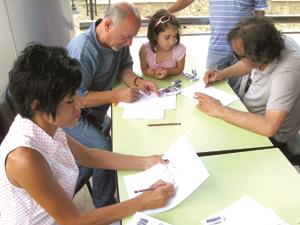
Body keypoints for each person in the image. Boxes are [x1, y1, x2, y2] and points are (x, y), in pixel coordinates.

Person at [0, 43, 174, 225]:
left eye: (76, 94)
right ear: (37, 105)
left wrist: (145, 161)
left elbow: (89, 156)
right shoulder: (24, 157)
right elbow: (74, 221)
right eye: (69, 101)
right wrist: (142, 202)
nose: (80, 104)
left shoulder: (43, 125)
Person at [65, 2, 160, 208]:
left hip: (94, 114)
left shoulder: (117, 42)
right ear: (107, 25)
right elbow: (77, 98)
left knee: (117, 136)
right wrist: (117, 95)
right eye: (126, 37)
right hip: (71, 115)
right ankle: (105, 204)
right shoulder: (83, 50)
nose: (130, 42)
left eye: (133, 36)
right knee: (104, 148)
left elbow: (124, 68)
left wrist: (139, 82)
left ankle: (81, 174)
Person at [195, 17, 300, 163]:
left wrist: (219, 110)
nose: (237, 58)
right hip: (248, 112)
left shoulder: (288, 73)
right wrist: (222, 73)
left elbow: (269, 127)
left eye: (239, 55)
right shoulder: (271, 44)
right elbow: (249, 63)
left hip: (273, 138)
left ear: (258, 56)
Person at [167, 0, 267, 94]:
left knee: (237, 92)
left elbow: (260, 15)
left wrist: (256, 43)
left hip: (244, 50)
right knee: (211, 86)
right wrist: (167, 12)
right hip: (217, 47)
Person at [139, 9, 186, 79]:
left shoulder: (180, 49)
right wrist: (151, 73)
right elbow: (144, 69)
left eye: (175, 36)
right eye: (167, 37)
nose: (172, 42)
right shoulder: (145, 50)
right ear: (155, 35)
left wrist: (167, 71)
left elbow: (179, 69)